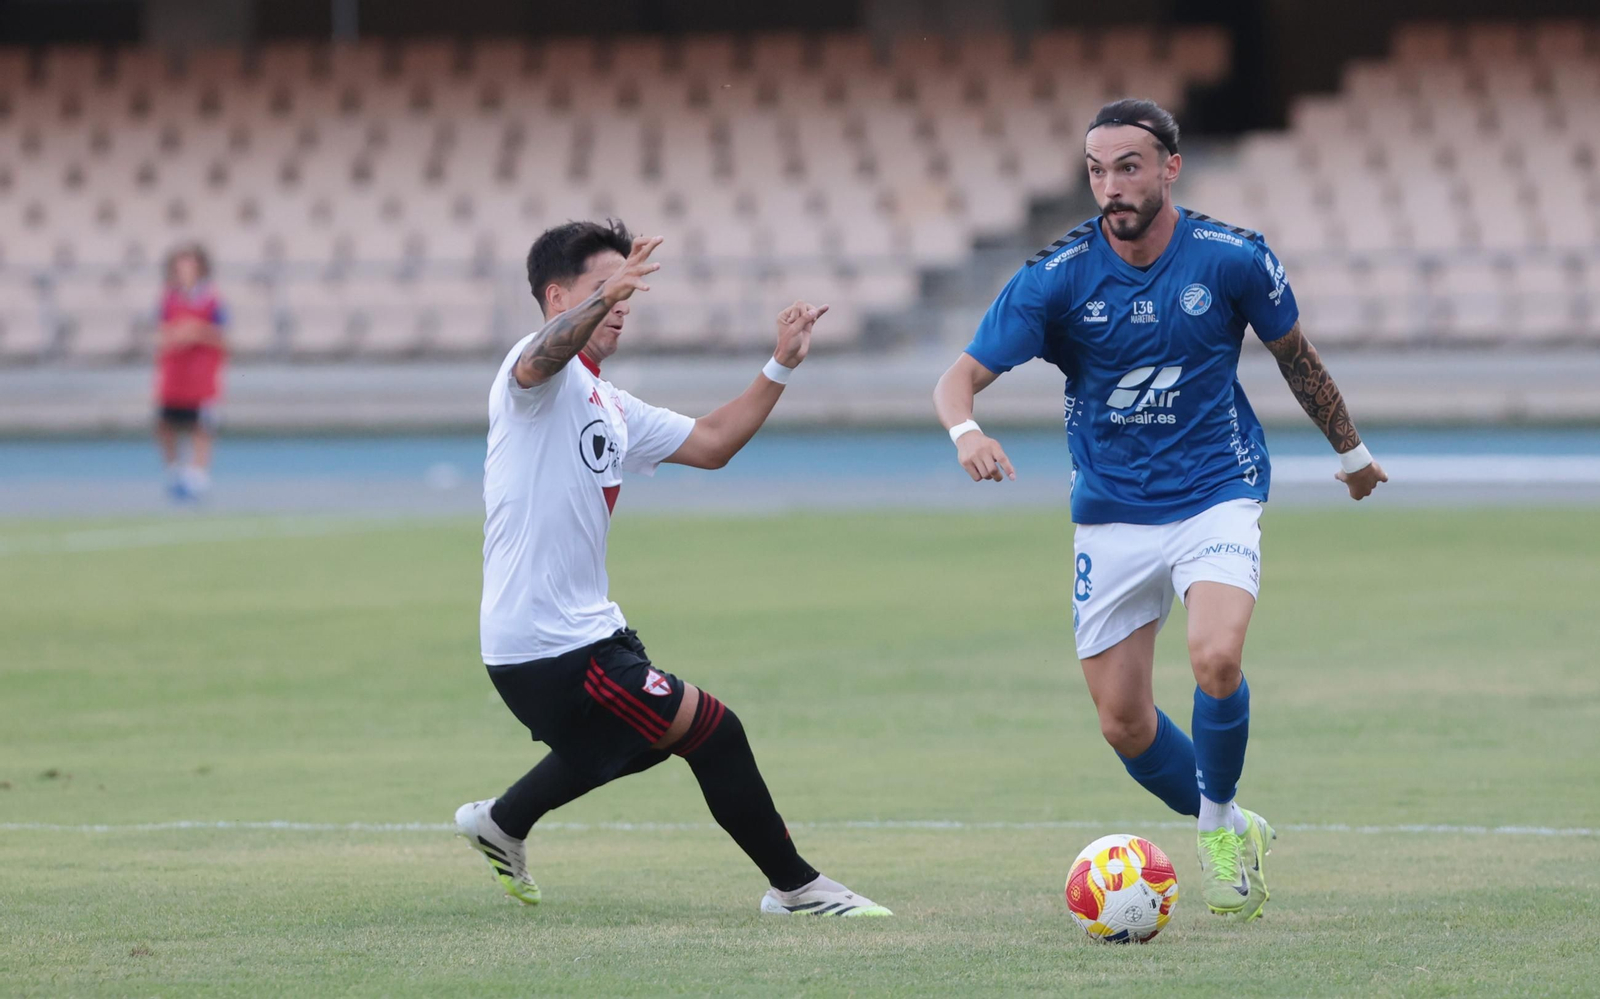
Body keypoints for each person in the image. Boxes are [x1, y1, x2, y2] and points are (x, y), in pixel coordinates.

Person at [933, 99, 1388, 921]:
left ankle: (1217, 833)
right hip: (1110, 511)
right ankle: (1231, 820)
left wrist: (1351, 454)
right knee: (1124, 723)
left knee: (1215, 657)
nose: (1112, 185)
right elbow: (956, 377)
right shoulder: (1057, 277)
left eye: (1130, 166)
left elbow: (1297, 360)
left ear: (1170, 167)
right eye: (1097, 170)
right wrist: (966, 430)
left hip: (1217, 490)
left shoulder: (1231, 258)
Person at [455, 219, 890, 917]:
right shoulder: (530, 378)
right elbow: (541, 354)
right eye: (605, 289)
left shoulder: (607, 401)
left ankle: (503, 820)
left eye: (626, 289)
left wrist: (780, 364)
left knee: (644, 740)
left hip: (582, 632)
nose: (623, 302)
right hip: (549, 644)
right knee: (715, 729)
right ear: (558, 293)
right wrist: (596, 302)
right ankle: (797, 888)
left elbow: (713, 442)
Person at [153, 243, 228, 502]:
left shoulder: (211, 300)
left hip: (201, 376)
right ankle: (174, 471)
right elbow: (162, 333)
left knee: (201, 426)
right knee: (165, 425)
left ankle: (198, 475)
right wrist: (176, 335)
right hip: (175, 375)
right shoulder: (169, 299)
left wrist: (196, 331)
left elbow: (223, 336)